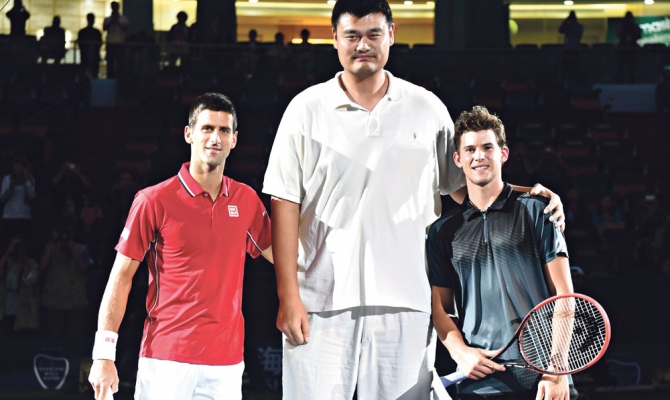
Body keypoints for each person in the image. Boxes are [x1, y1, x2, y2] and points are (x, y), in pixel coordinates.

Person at [262, 1, 566, 398]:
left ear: (391, 34)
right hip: (320, 302)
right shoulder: (304, 110)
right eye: (352, 35)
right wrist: (288, 295)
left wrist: (529, 196)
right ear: (335, 38)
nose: (363, 45)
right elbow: (284, 203)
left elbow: (465, 186)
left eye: (373, 34)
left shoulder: (427, 108)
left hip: (407, 300)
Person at [88, 93, 273, 400]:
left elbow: (285, 258)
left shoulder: (247, 200)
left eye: (224, 130)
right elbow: (120, 277)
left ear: (234, 139)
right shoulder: (153, 200)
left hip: (226, 365)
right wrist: (103, 355)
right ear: (189, 134)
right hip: (166, 360)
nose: (215, 138)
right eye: (207, 128)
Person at [428, 106, 576, 400]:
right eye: (470, 150)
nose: (479, 156)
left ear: (503, 154)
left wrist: (557, 369)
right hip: (478, 381)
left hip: (542, 377)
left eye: (487, 147)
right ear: (458, 159)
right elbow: (440, 308)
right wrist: (460, 352)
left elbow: (564, 296)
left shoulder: (538, 211)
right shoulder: (442, 232)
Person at [40, 220, 91, 338]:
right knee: (54, 338)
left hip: (75, 302)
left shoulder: (81, 249)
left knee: (74, 338)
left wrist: (72, 247)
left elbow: (84, 267)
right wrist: (53, 242)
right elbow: (42, 266)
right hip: (54, 302)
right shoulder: (50, 248)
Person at [0, 234, 39, 335]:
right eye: (14, 245)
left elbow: (30, 280)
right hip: (5, 306)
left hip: (22, 307)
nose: (16, 248)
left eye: (18, 245)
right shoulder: (6, 261)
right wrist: (7, 253)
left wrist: (24, 258)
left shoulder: (31, 263)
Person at [1, 156, 35, 253]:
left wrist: (26, 180)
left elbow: (31, 195)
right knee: (7, 245)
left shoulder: (30, 179)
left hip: (24, 216)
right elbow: (2, 198)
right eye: (15, 168)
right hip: (9, 216)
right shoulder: (7, 179)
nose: (17, 170)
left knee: (23, 245)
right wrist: (11, 186)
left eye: (19, 168)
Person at [103, 1, 130, 78]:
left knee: (120, 63)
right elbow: (104, 28)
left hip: (120, 43)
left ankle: (120, 78)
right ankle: (110, 77)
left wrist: (117, 21)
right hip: (110, 43)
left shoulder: (123, 19)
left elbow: (126, 28)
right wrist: (112, 21)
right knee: (110, 63)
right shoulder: (108, 19)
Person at [77, 13, 103, 78]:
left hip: (91, 55)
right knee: (89, 73)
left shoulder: (83, 32)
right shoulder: (96, 32)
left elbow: (99, 43)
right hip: (88, 55)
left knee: (91, 72)